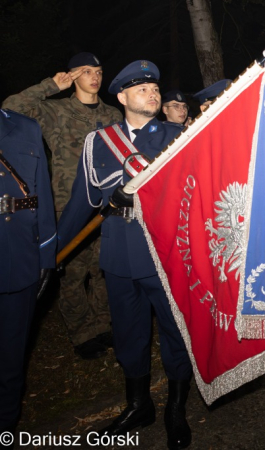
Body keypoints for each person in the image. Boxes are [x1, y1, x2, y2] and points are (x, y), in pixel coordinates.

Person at [57, 60, 193, 450]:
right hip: (118, 257)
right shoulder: (99, 142)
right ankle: (139, 405)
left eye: (155, 88)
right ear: (122, 97)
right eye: (142, 88)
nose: (152, 93)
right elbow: (81, 202)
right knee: (129, 335)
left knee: (174, 332)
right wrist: (53, 251)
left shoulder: (178, 135)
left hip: (165, 254)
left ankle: (176, 409)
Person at [2, 52, 122, 360]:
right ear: (72, 77)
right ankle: (82, 333)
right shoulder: (55, 111)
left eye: (98, 70)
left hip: (107, 206)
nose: (94, 76)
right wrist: (49, 86)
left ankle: (102, 325)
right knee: (71, 273)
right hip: (67, 206)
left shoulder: (113, 115)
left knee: (103, 270)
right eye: (85, 71)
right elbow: (10, 109)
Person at [0, 109, 57, 446]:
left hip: (17, 259)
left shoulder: (24, 127)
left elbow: (43, 197)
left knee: (10, 360)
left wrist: (46, 255)